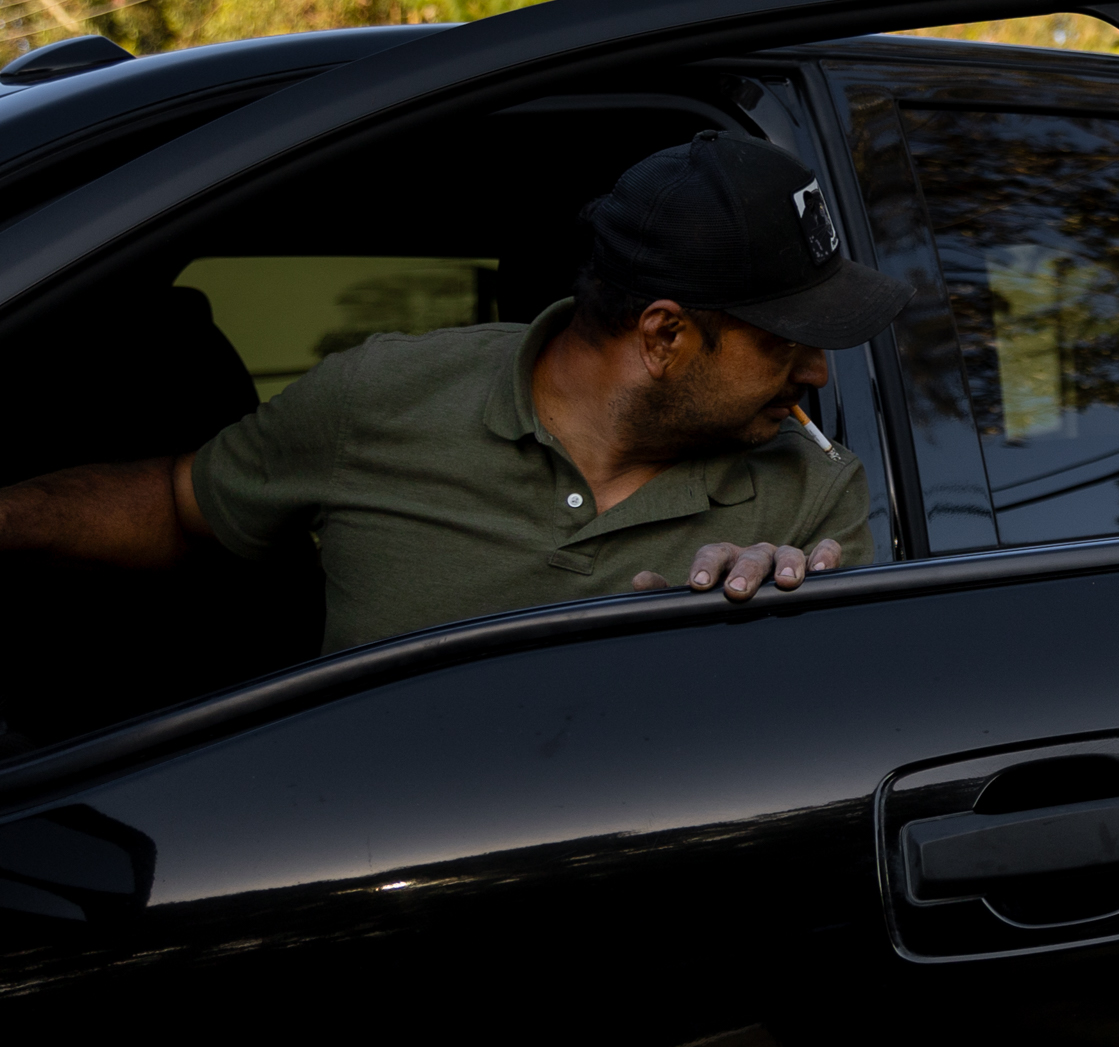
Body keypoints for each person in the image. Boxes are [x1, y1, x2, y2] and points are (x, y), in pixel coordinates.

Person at [0, 131, 912, 655]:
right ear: (664, 336)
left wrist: (762, 636)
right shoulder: (381, 397)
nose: (819, 372)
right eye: (787, 340)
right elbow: (177, 503)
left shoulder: (814, 496)